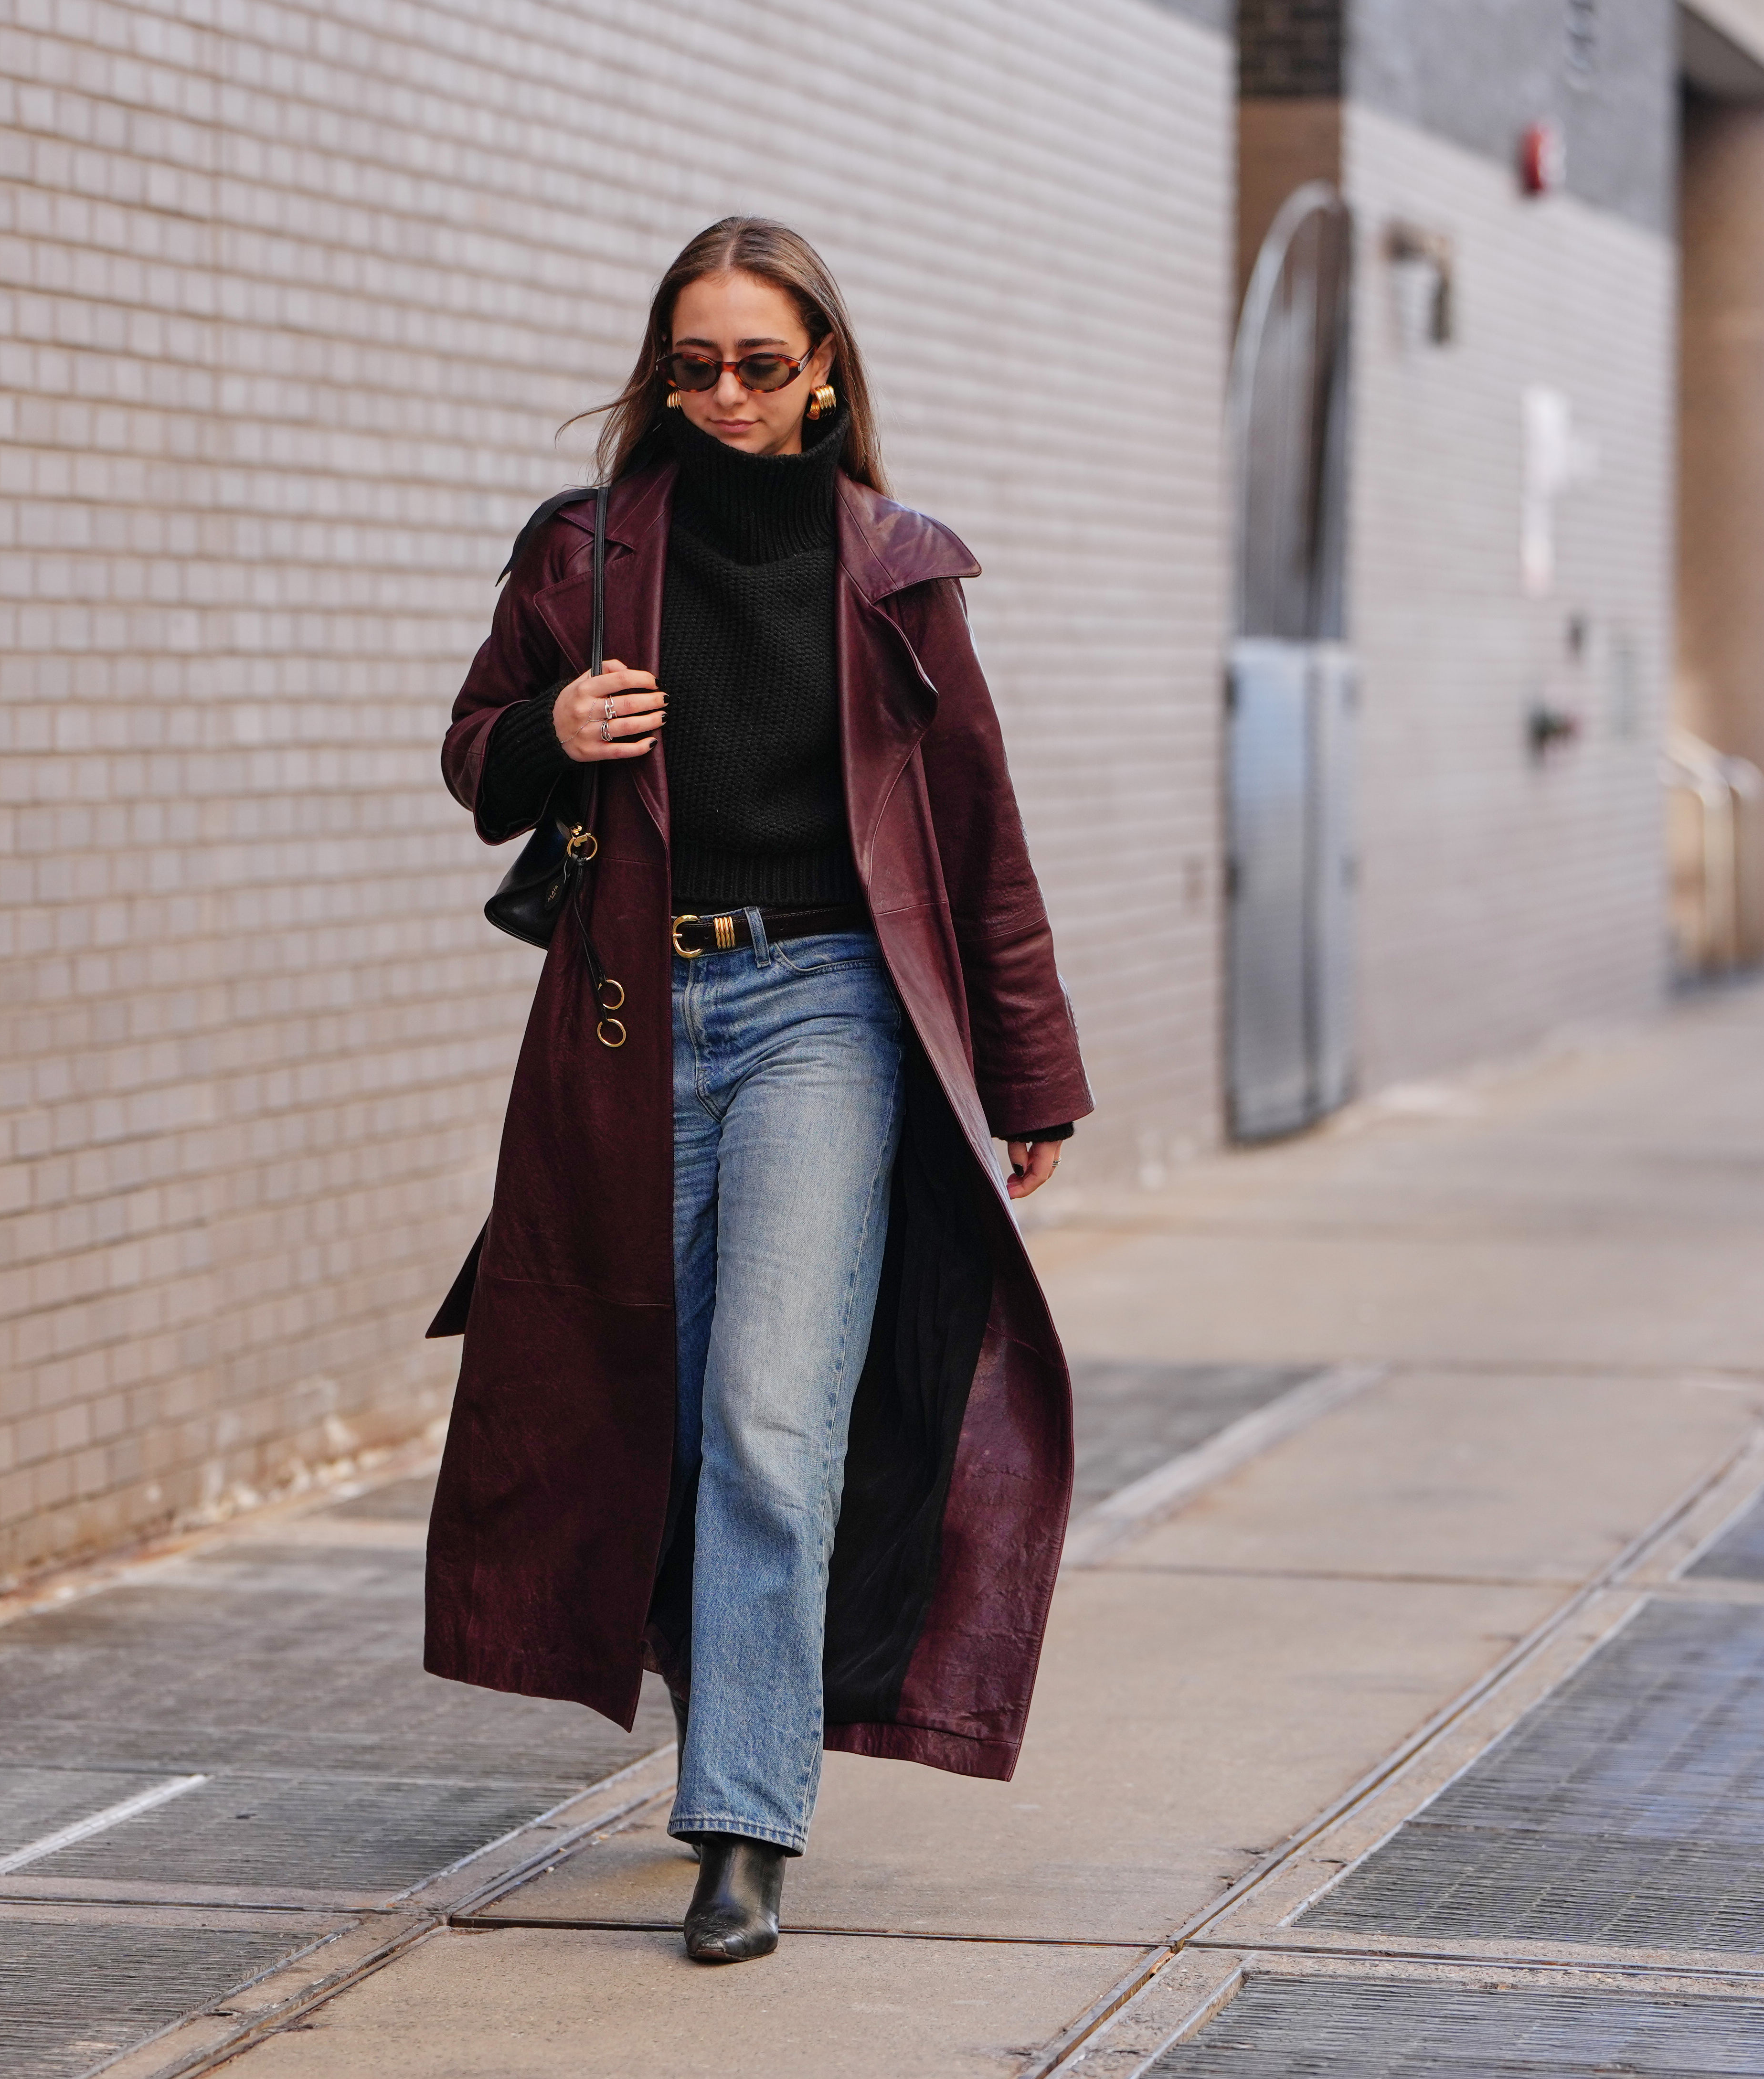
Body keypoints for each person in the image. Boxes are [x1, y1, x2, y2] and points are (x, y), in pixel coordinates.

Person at [425, 217, 1092, 1964]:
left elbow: (978, 846)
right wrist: (548, 730)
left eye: (760, 365)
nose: (723, 395)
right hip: (633, 1016)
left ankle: (742, 1818)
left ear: (823, 379)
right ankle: (723, 1690)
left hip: (825, 1016)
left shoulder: (896, 577)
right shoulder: (584, 554)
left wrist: (1031, 1069)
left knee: (767, 1420)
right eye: (694, 364)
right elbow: (474, 750)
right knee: (647, 1396)